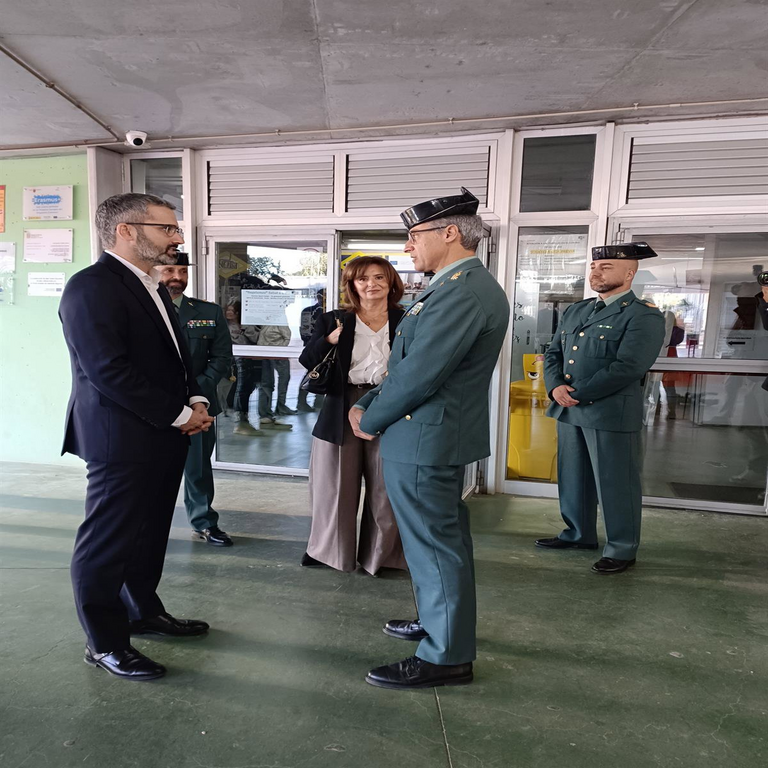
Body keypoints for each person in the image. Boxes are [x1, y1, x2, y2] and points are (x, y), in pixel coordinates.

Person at [349, 189, 510, 690]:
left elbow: (420, 374)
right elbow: (409, 369)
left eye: (414, 236)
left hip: (425, 436)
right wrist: (369, 402)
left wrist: (371, 416)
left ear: (450, 233)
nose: (408, 247)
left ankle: (446, 655)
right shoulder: (452, 285)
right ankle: (439, 622)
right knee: (435, 543)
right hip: (427, 433)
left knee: (435, 545)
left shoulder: (462, 290)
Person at [59, 193, 213, 682]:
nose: (177, 237)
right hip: (119, 439)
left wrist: (197, 400)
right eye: (166, 228)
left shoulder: (149, 285)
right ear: (126, 231)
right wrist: (177, 414)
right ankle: (103, 642)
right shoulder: (91, 287)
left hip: (162, 433)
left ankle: (141, 610)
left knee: (147, 535)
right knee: (107, 542)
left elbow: (175, 357)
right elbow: (108, 371)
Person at [536, 242, 666, 575]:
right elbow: (553, 353)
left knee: (615, 482)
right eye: (594, 266)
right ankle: (578, 534)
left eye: (606, 267)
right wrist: (555, 387)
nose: (596, 272)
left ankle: (622, 547)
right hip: (569, 409)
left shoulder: (643, 315)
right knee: (573, 477)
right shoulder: (577, 310)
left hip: (609, 412)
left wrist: (577, 392)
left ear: (629, 273)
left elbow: (629, 366)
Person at [298, 257, 407, 576]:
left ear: (390, 282)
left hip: (391, 404)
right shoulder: (335, 319)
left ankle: (382, 556)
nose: (370, 284)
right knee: (334, 486)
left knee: (386, 487)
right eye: (362, 279)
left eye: (378, 277)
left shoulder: (407, 318)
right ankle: (328, 551)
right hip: (341, 405)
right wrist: (329, 339)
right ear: (351, 284)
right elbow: (308, 359)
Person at [156, 253, 234, 547]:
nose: (176, 276)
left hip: (198, 406)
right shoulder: (142, 309)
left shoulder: (208, 312)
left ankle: (203, 523)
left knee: (198, 466)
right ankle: (145, 524)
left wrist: (195, 393)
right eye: (168, 270)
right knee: (148, 466)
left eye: (181, 270)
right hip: (154, 404)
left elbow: (222, 358)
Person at [225, 301, 263, 436]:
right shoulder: (225, 325)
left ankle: (242, 416)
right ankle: (239, 419)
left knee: (247, 386)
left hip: (248, 357)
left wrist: (245, 328)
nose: (230, 313)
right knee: (241, 387)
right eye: (228, 310)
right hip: (236, 358)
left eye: (232, 310)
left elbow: (256, 338)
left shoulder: (247, 324)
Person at [297, 289, 325, 412]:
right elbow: (305, 329)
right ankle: (302, 401)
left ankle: (318, 401)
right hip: (316, 346)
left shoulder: (324, 310)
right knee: (313, 373)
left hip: (318, 345)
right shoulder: (315, 311)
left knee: (321, 372)